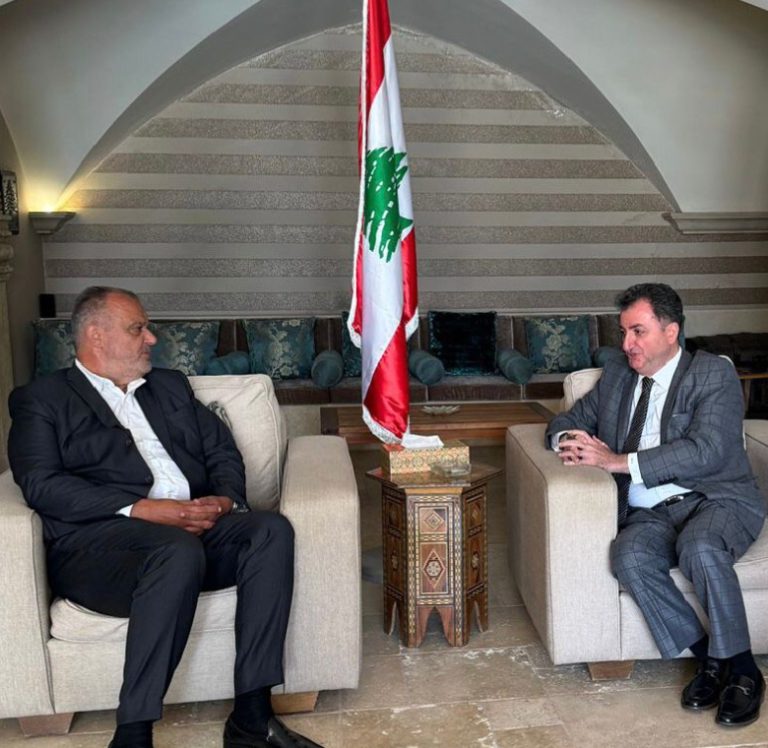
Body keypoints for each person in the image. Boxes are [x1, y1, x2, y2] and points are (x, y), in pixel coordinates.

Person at [7, 287, 323, 748]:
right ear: (96, 336)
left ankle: (252, 719)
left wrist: (223, 501)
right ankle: (133, 734)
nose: (151, 338)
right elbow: (40, 483)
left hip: (193, 532)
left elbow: (221, 450)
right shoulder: (42, 399)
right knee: (174, 548)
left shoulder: (170, 386)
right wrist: (143, 509)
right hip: (100, 554)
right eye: (138, 328)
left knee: (270, 530)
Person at [547, 283, 765, 727]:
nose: (627, 343)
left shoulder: (712, 374)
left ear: (671, 332)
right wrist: (570, 439)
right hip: (650, 511)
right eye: (623, 331)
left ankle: (744, 670)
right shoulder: (618, 375)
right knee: (628, 556)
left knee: (700, 547)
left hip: (715, 499)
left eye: (638, 331)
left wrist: (616, 460)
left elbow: (707, 450)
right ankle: (709, 660)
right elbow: (568, 420)